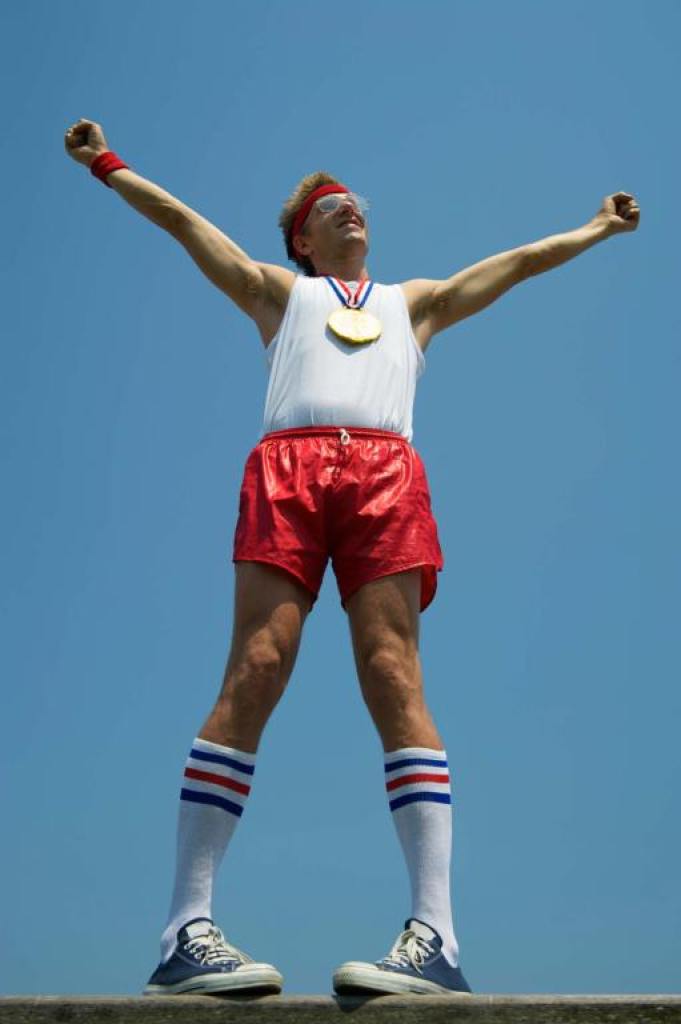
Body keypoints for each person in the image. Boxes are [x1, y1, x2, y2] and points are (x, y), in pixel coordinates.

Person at [65, 118, 640, 999]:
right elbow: (183, 221)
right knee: (255, 665)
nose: (353, 213)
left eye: (359, 206)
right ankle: (186, 928)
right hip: (288, 469)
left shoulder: (413, 302)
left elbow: (518, 263)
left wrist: (596, 227)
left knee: (391, 672)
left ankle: (435, 939)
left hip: (385, 476)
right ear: (302, 236)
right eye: (334, 207)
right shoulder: (275, 294)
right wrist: (104, 162)